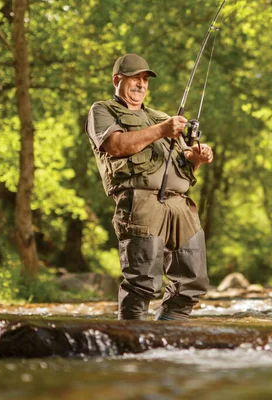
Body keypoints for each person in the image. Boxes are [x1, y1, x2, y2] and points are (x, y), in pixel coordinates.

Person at [85, 53, 213, 320]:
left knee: (193, 281)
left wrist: (196, 158)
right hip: (141, 202)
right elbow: (117, 146)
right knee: (142, 281)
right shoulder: (102, 110)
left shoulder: (159, 116)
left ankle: (165, 342)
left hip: (180, 204)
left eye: (145, 79)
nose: (141, 84)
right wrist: (162, 130)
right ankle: (131, 345)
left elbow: (184, 162)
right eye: (135, 78)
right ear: (117, 80)